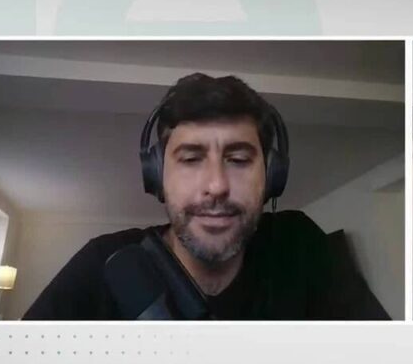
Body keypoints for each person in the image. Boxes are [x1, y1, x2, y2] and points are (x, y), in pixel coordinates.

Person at [25, 73, 389, 320]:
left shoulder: (300, 247)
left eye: (239, 159)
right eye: (191, 159)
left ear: (272, 175)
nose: (216, 185)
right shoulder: (105, 264)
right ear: (156, 175)